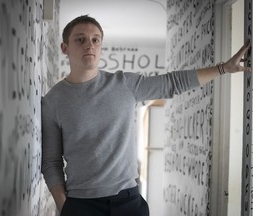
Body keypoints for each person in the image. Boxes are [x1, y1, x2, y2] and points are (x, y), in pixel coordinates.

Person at [41, 15, 251, 216]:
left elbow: (173, 83)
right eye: (80, 39)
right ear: (65, 47)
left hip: (129, 203)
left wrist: (223, 68)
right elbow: (51, 162)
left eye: (96, 39)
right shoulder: (52, 101)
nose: (90, 45)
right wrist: (64, 205)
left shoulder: (124, 84)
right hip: (81, 206)